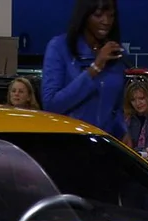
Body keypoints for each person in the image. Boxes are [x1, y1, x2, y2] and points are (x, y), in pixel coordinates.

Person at [41, 0, 127, 140]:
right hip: (69, 143)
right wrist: (94, 68)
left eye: (111, 16)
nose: (106, 21)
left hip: (104, 145)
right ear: (84, 16)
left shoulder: (114, 52)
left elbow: (117, 106)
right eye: (98, 15)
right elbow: (51, 105)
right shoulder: (59, 47)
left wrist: (123, 130)